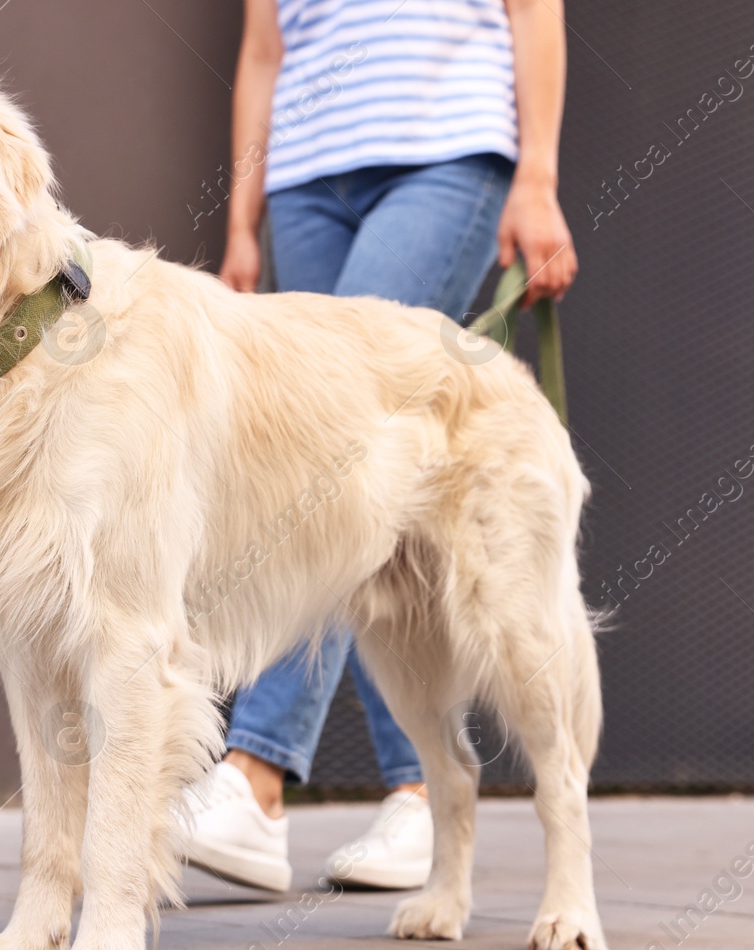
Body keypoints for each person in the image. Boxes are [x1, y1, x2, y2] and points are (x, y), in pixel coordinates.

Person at [185, 0, 578, 892]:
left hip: (445, 157)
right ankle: (416, 791)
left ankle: (254, 774)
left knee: (335, 461)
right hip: (307, 175)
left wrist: (538, 180)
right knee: (361, 496)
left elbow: (533, 11)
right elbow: (263, 53)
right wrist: (243, 226)